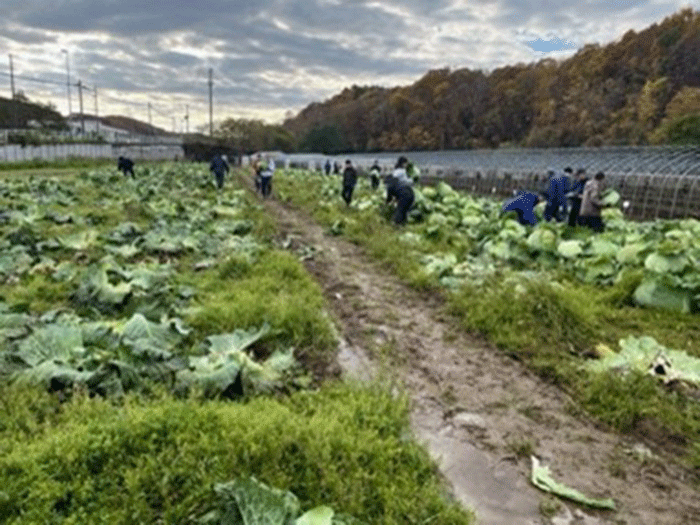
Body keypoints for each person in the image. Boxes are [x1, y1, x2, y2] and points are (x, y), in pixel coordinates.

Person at [386, 156, 415, 225]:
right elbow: (404, 181)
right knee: (402, 210)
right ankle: (399, 224)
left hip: (406, 193)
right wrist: (411, 181)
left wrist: (389, 199)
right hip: (407, 194)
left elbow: (391, 190)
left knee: (401, 210)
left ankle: (398, 224)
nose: (407, 165)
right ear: (403, 163)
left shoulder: (397, 172)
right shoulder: (401, 171)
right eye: (406, 163)